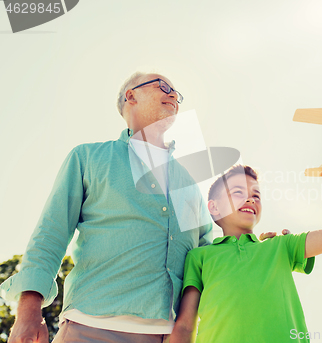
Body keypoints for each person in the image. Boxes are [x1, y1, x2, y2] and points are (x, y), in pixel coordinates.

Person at [1, 72, 213, 343]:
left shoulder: (189, 184)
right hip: (88, 328)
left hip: (166, 336)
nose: (173, 95)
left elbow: (206, 258)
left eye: (177, 93)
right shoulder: (87, 158)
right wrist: (28, 313)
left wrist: (260, 247)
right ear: (131, 95)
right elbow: (50, 235)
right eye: (163, 86)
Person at [170, 119, 322, 343]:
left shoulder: (281, 246)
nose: (250, 198)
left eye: (256, 194)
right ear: (213, 206)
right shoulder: (200, 257)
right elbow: (184, 326)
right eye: (238, 192)